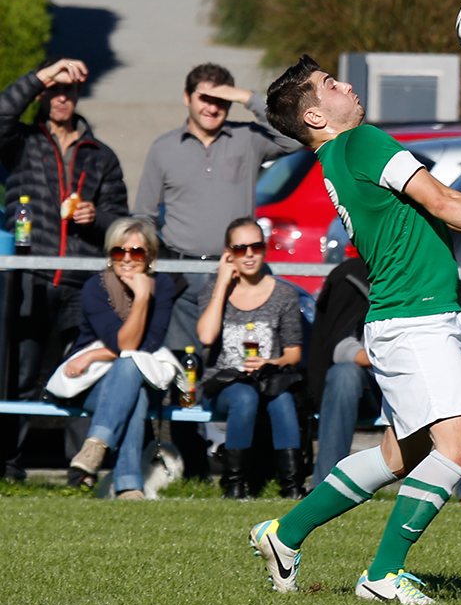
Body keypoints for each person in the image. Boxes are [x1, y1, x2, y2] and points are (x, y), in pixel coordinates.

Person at [248, 55, 461, 605]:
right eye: (330, 84)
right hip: (416, 320)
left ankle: (283, 534)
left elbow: (447, 201)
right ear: (315, 116)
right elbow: (443, 202)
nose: (346, 86)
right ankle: (383, 574)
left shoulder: (339, 156)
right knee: (460, 448)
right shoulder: (361, 142)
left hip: (409, 319)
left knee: (401, 455)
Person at [135, 62, 300, 476]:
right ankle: (192, 467)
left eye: (221, 99)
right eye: (205, 98)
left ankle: (249, 465)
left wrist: (246, 98)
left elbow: (295, 137)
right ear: (187, 98)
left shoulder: (248, 138)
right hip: (181, 274)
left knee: (242, 369)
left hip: (241, 275)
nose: (213, 107)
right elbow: (143, 215)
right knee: (182, 370)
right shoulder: (164, 148)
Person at [0, 57, 129, 482]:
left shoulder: (100, 155)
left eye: (68, 90)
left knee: (82, 372)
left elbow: (121, 221)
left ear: (77, 96)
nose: (61, 97)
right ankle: (8, 464)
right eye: (53, 90)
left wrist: (98, 217)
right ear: (42, 94)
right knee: (19, 373)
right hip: (29, 277)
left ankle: (80, 469)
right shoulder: (21, 141)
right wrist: (45, 73)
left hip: (81, 280)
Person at [308, 257, 461, 505]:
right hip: (370, 381)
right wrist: (390, 358)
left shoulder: (437, 275)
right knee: (342, 374)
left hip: (424, 378)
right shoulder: (351, 277)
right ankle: (325, 488)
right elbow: (338, 344)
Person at [60, 217, 175, 499]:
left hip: (140, 378)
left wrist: (142, 297)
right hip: (91, 384)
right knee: (133, 392)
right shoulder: (95, 287)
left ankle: (96, 445)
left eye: (136, 252)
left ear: (150, 255)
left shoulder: (163, 286)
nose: (126, 258)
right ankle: (129, 487)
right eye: (118, 251)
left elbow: (146, 344)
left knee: (129, 367)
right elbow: (124, 344)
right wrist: (141, 300)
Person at [197, 217, 305, 500]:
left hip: (267, 380)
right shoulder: (213, 290)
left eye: (256, 247)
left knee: (282, 398)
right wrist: (222, 283)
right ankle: (234, 485)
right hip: (223, 383)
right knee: (244, 397)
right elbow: (206, 336)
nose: (248, 254)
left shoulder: (284, 293)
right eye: (240, 248)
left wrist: (271, 363)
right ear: (228, 253)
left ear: (264, 249)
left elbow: (293, 352)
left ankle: (293, 487)